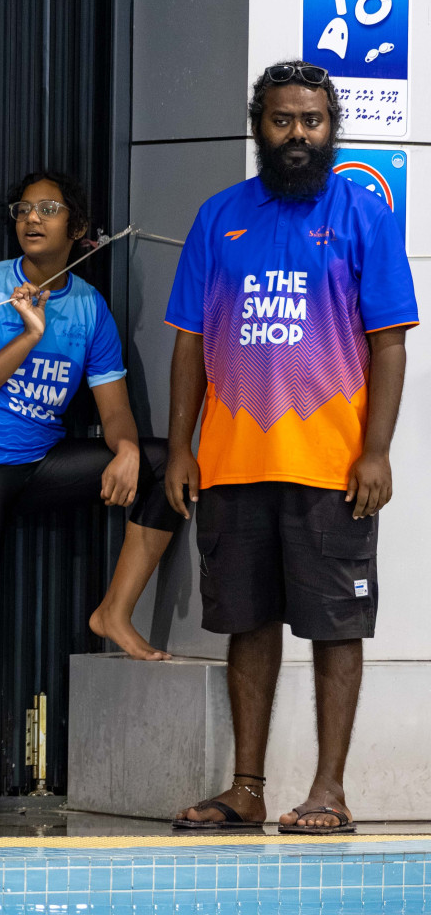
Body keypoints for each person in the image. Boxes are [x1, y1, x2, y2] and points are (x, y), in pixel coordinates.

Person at [168, 62, 415, 835]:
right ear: (258, 126)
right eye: (283, 120)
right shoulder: (219, 216)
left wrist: (375, 453)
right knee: (248, 622)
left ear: (331, 125)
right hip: (235, 461)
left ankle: (330, 791)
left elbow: (390, 344)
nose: (298, 134)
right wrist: (181, 449)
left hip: (332, 463)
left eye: (311, 120)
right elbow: (188, 344)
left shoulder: (363, 213)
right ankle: (246, 789)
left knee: (337, 626)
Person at [0, 170, 183, 819]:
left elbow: (115, 414)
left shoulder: (89, 307)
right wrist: (27, 337)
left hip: (39, 464)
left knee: (161, 463)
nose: (32, 219)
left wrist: (124, 448)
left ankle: (113, 614)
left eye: (48, 209)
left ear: (76, 227)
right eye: (23, 210)